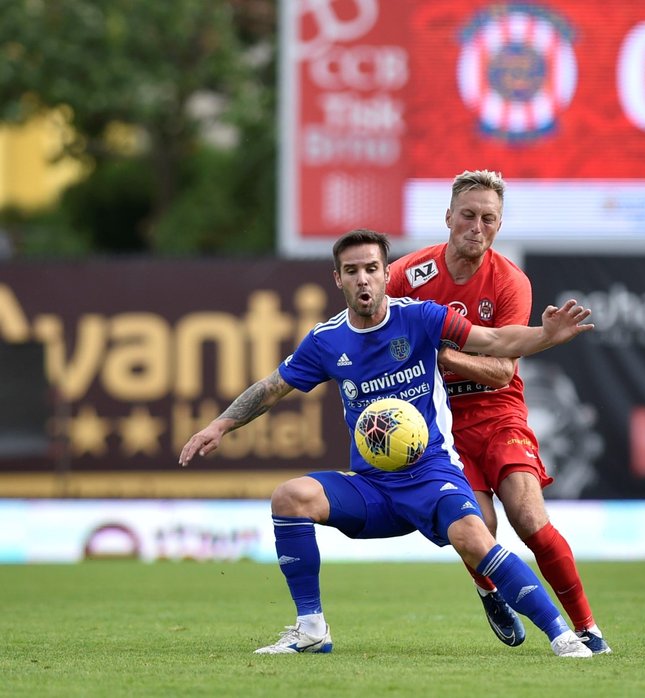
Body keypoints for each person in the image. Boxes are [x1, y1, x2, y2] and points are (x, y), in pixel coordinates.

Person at [178, 229, 595, 658]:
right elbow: (272, 387)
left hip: (432, 474)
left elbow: (496, 342)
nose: (363, 279)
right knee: (290, 497)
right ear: (337, 279)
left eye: (372, 269)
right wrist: (221, 425)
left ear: (385, 274)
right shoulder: (326, 340)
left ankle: (562, 636)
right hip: (373, 486)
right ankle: (311, 630)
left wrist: (546, 335)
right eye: (352, 270)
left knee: (475, 536)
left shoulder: (421, 318)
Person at [387, 170, 611, 654]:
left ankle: (588, 628)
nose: (477, 227)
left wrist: (440, 356)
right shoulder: (407, 274)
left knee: (529, 518)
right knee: (477, 528)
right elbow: (377, 334)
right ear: (448, 217)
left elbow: (502, 372)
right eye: (468, 215)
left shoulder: (510, 281)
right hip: (437, 422)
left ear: (499, 225)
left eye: (489, 219)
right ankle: (490, 591)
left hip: (498, 414)